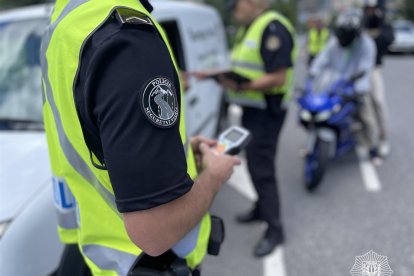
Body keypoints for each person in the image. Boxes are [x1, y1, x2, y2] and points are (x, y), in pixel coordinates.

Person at [41, 0, 241, 275]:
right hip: (147, 263)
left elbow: (89, 138)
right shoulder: (127, 39)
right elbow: (156, 230)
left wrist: (173, 156)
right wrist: (214, 176)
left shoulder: (67, 21)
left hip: (102, 258)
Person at [195, 0, 296, 257]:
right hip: (254, 110)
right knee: (255, 164)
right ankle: (261, 209)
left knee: (262, 170)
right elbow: (245, 66)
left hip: (267, 111)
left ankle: (275, 230)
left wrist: (239, 86)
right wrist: (218, 76)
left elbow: (278, 77)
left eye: (236, 6)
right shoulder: (249, 27)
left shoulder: (272, 28)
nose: (234, 12)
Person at [310, 8, 381, 163]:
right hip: (334, 84)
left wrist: (357, 90)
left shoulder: (366, 45)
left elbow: (364, 70)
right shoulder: (335, 42)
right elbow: (322, 60)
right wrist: (313, 75)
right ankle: (313, 143)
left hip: (354, 87)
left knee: (366, 116)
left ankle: (373, 148)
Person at [363, 0, 394, 157]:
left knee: (378, 101)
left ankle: (383, 138)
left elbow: (388, 39)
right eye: (368, 8)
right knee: (362, 106)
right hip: (359, 70)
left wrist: (380, 22)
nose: (370, 11)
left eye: (372, 9)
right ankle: (367, 140)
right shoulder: (362, 22)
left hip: (374, 69)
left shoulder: (383, 23)